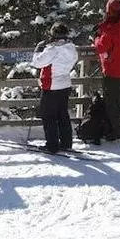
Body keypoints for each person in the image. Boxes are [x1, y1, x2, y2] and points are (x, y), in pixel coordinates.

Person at [31, 22, 78, 153]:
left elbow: (37, 63)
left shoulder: (52, 50)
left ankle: (52, 145)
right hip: (65, 84)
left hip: (51, 85)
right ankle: (66, 142)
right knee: (63, 114)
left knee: (49, 116)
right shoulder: (71, 48)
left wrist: (38, 50)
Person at [93, 0, 120, 141]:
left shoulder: (111, 30)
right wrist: (104, 28)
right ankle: (115, 131)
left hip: (112, 69)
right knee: (117, 102)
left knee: (112, 104)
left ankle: (115, 133)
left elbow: (101, 46)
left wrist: (97, 36)